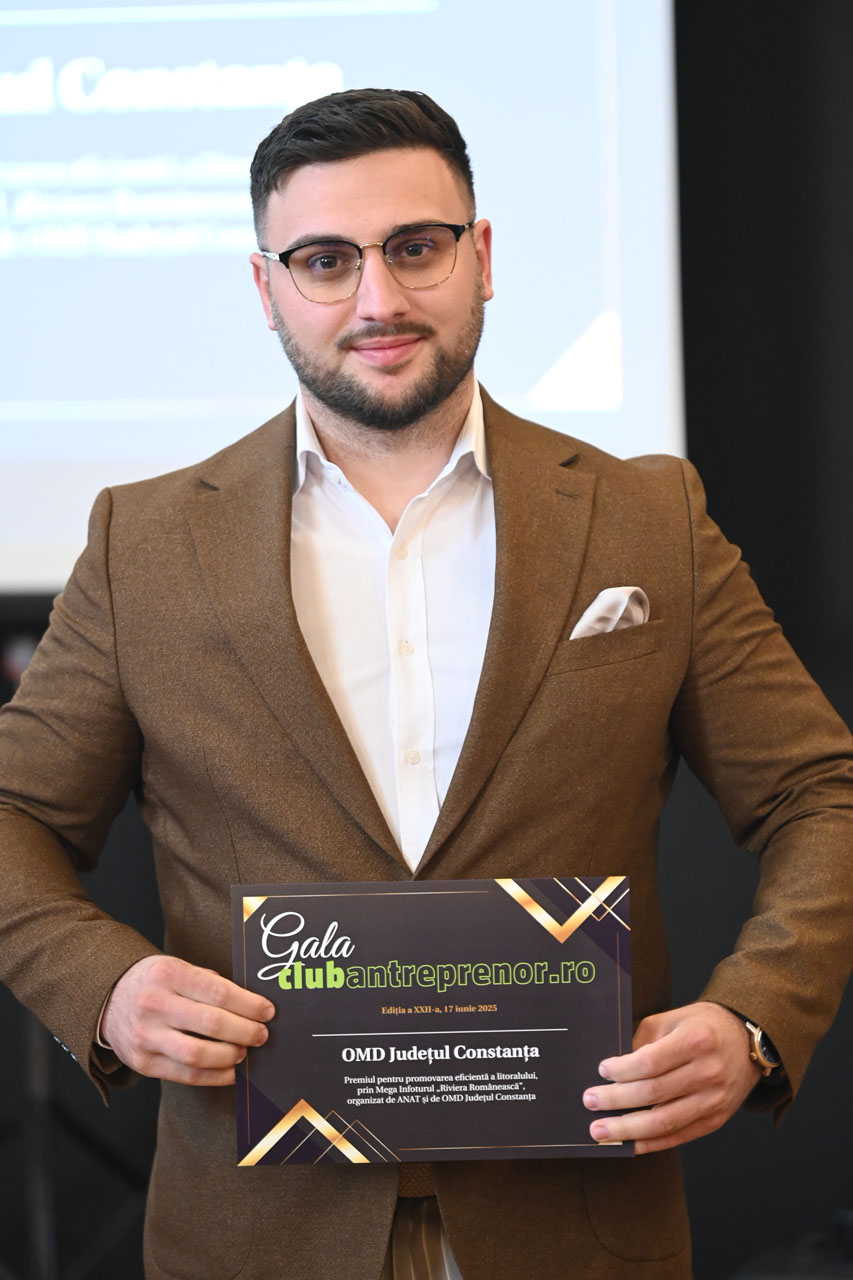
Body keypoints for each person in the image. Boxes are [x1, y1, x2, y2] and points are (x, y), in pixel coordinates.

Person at [0, 87, 851, 1280]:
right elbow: (15, 813)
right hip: (253, 1236)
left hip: (576, 1233)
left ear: (481, 256)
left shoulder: (646, 517)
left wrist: (755, 1015)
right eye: (325, 260)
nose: (378, 300)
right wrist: (103, 986)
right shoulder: (144, 544)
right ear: (266, 288)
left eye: (415, 246)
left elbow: (819, 791)